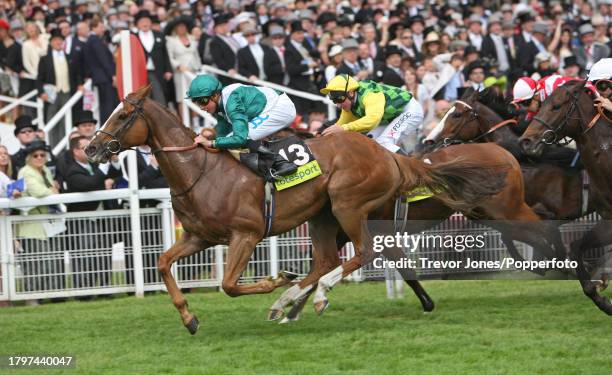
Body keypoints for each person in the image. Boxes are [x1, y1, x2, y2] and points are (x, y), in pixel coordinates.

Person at [187, 74, 297, 177]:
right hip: (270, 106)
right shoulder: (220, 102)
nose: (201, 107)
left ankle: (281, 163)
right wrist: (210, 138)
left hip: (280, 108)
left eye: (203, 101)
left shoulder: (232, 103)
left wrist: (211, 143)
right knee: (229, 140)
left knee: (242, 137)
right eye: (197, 102)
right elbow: (222, 130)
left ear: (215, 95)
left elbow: (240, 138)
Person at [320, 74, 424, 154]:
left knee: (384, 142)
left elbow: (372, 121)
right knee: (368, 144)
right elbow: (339, 126)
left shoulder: (369, 95)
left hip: (409, 110)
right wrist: (321, 135)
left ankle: (414, 173)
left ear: (351, 92)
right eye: (334, 101)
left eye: (339, 99)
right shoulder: (349, 103)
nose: (338, 105)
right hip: (389, 117)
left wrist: (343, 128)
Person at [15, 140, 62, 296]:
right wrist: (52, 190)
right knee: (35, 263)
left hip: (48, 223)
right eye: (36, 155)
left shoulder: (45, 170)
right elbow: (39, 192)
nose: (40, 157)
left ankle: (50, 295)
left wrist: (52, 190)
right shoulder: (25, 171)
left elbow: (50, 189)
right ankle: (32, 297)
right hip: (32, 226)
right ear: (29, 157)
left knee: (51, 262)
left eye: (43, 155)